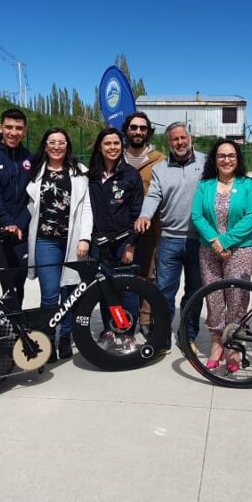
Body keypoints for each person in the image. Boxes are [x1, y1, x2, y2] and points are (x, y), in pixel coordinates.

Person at [191, 139, 252, 372]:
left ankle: (235, 347)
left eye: (231, 155)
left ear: (238, 158)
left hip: (239, 250)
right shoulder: (205, 185)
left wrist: (226, 241)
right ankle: (216, 344)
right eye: (222, 155)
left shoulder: (248, 185)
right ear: (215, 159)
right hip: (209, 250)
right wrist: (214, 241)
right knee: (214, 299)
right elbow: (197, 215)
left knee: (237, 299)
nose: (227, 160)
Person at [134, 121, 204, 350]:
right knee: (164, 292)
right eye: (175, 139)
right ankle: (162, 336)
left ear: (190, 138)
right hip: (169, 240)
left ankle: (188, 337)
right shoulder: (160, 168)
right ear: (168, 142)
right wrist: (145, 215)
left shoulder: (206, 163)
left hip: (199, 240)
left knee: (194, 293)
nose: (180, 142)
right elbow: (153, 195)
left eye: (183, 137)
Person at [26, 127, 93, 360]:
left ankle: (65, 337)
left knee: (71, 292)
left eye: (61, 142)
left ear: (67, 146)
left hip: (72, 240)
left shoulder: (79, 172)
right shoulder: (36, 171)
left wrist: (85, 237)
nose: (56, 146)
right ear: (45, 146)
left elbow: (86, 207)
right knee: (49, 294)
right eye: (52, 142)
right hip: (45, 241)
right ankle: (47, 340)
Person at [87, 126, 144, 347]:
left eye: (116, 143)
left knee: (127, 289)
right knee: (105, 289)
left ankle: (128, 332)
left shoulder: (131, 175)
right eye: (107, 144)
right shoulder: (90, 176)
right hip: (99, 244)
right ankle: (110, 330)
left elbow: (137, 213)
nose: (112, 147)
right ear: (100, 148)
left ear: (122, 146)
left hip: (124, 242)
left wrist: (131, 245)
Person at [0, 108, 33, 311]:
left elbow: (33, 197)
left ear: (25, 131)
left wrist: (19, 224)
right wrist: (6, 222)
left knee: (14, 291)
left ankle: (12, 332)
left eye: (19, 128)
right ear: (0, 127)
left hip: (19, 236)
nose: (13, 132)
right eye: (9, 127)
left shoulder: (29, 157)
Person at [121, 111, 165, 327]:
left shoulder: (160, 161)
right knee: (123, 275)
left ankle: (146, 320)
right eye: (134, 127)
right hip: (119, 229)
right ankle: (123, 319)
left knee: (148, 274)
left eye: (143, 128)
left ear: (148, 132)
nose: (138, 131)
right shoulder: (114, 156)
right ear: (126, 130)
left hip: (150, 229)